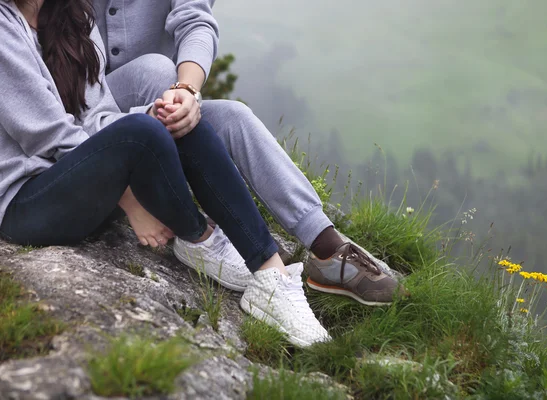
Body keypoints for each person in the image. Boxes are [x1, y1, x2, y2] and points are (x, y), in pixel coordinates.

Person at [0, 0, 333, 347]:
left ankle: (270, 274)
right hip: (27, 201)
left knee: (176, 115)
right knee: (145, 128)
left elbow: (97, 116)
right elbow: (45, 133)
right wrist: (130, 198)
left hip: (82, 188)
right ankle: (198, 236)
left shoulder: (73, 11)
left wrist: (158, 117)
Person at [91, 0, 406, 306]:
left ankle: (327, 246)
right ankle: (191, 222)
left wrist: (186, 90)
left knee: (234, 116)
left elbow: (195, 21)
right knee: (155, 68)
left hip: (157, 107)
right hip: (89, 113)